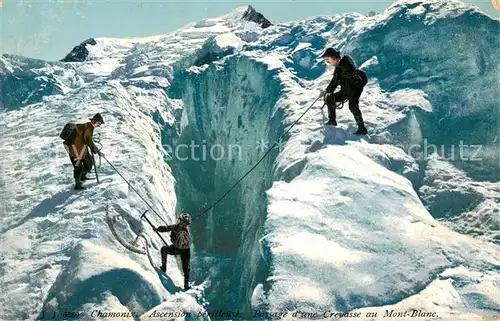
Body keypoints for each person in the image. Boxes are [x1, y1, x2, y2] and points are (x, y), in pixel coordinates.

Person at [319, 48, 368, 135]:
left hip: (355, 88)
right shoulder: (339, 66)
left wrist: (328, 90)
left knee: (353, 106)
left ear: (334, 57)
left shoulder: (345, 64)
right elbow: (335, 80)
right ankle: (332, 121)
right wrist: (327, 91)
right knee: (330, 99)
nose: (327, 62)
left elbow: (350, 70)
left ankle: (362, 128)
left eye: (328, 59)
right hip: (346, 89)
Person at [63, 113, 104, 190]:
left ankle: (82, 177)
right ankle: (78, 184)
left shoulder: (86, 126)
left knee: (89, 161)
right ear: (94, 121)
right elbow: (88, 141)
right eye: (99, 123)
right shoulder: (88, 128)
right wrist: (97, 151)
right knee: (78, 165)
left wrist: (94, 149)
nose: (99, 125)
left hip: (77, 146)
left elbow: (86, 139)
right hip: (74, 148)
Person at [154, 213, 192, 290]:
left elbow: (166, 228)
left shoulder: (176, 227)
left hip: (176, 249)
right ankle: (186, 285)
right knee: (186, 268)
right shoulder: (186, 230)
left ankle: (163, 267)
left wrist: (157, 229)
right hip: (186, 251)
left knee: (163, 249)